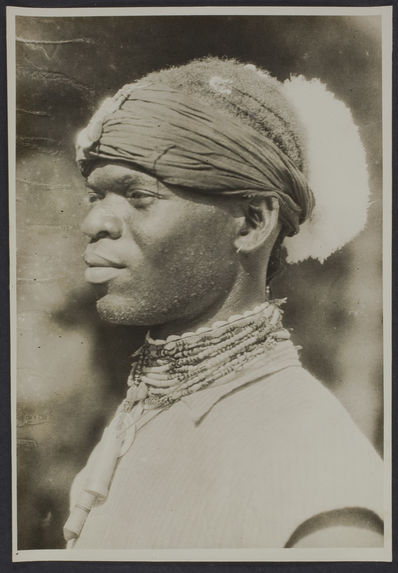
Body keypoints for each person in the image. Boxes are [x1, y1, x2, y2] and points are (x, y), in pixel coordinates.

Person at [63, 58, 383, 549]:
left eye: (139, 195)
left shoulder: (316, 473)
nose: (95, 223)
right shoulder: (139, 419)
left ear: (252, 222)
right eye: (95, 195)